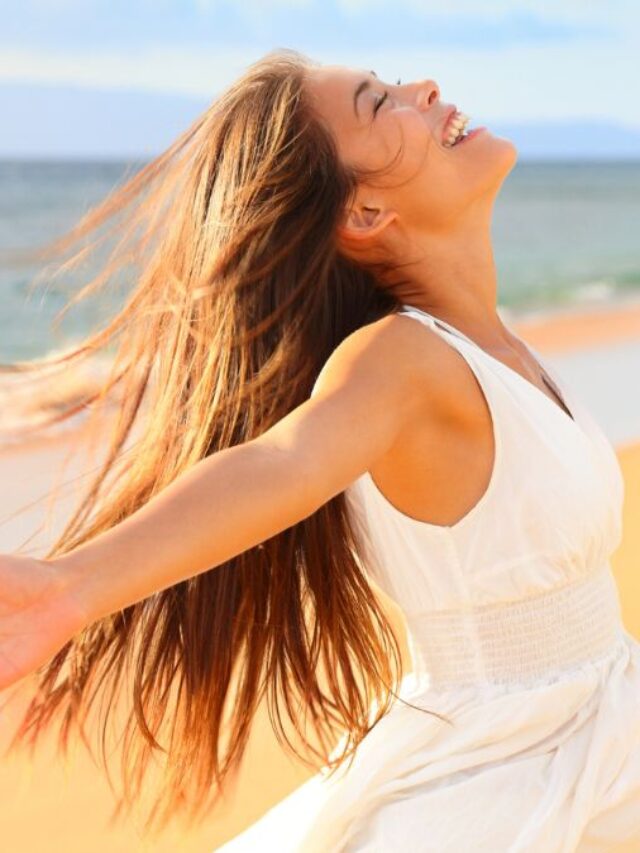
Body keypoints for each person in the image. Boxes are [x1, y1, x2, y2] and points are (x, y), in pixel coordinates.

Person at [0, 47, 638, 851]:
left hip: (600, 716)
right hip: (514, 771)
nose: (425, 86)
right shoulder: (400, 360)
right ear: (365, 213)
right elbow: (285, 461)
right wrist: (70, 587)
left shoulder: (498, 349)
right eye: (382, 102)